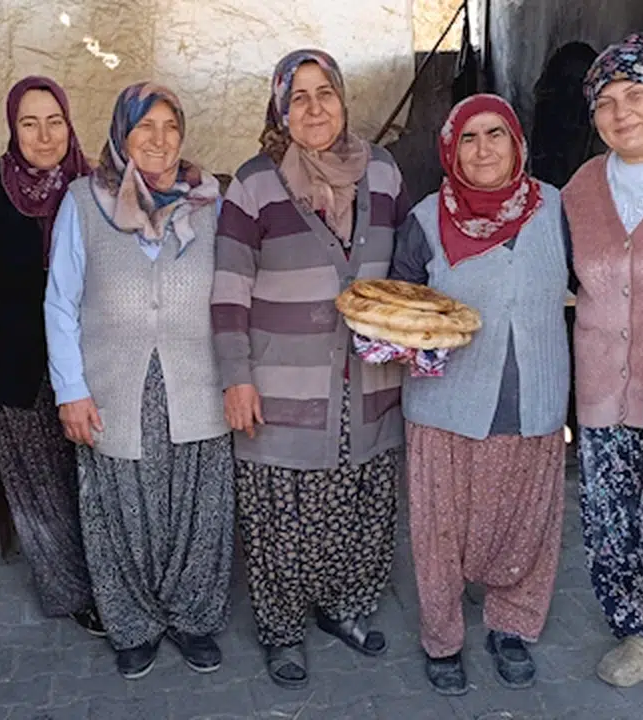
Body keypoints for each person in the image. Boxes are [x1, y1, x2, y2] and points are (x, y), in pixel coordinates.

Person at [211, 49, 409, 689]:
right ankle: (281, 630)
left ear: (343, 100)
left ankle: (345, 608)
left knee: (363, 503)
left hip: (371, 381)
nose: (315, 108)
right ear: (280, 110)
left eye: (326, 93)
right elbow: (228, 291)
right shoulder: (254, 184)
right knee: (280, 518)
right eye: (299, 97)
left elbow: (407, 268)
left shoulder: (383, 172)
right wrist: (236, 377)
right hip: (282, 386)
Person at [45, 81, 233, 680]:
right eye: (145, 127)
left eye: (171, 127)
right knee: (120, 510)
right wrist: (70, 389)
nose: (159, 140)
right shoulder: (84, 200)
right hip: (113, 384)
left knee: (198, 508)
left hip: (195, 380)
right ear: (121, 135)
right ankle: (132, 624)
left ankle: (194, 618)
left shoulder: (210, 201)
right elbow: (60, 301)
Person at [390, 94, 570, 695]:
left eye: (496, 134)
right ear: (451, 149)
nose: (483, 148)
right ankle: (442, 639)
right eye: (469, 137)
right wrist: (418, 341)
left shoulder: (557, 208)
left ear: (517, 144)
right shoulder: (425, 220)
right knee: (441, 533)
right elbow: (399, 309)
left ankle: (511, 626)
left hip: (534, 398)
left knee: (525, 523)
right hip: (447, 406)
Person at [560, 33, 643, 687]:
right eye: (605, 101)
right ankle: (639, 631)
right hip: (600, 390)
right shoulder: (583, 186)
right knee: (613, 521)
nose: (621, 112)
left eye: (636, 94)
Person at [0, 76, 102, 635]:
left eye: (54, 122)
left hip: (88, 365)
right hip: (13, 362)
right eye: (29, 123)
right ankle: (69, 591)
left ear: (69, 124)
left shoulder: (96, 188)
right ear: (12, 128)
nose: (44, 136)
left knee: (92, 481)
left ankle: (112, 582)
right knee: (38, 490)